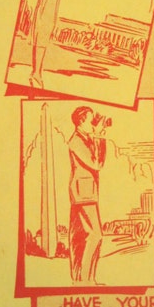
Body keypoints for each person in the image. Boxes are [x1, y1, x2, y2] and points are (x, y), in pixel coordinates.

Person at [68, 105, 107, 284]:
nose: (93, 125)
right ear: (81, 121)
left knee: (87, 236)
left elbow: (100, 162)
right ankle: (83, 279)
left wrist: (100, 137)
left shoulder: (87, 139)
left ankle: (89, 279)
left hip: (88, 192)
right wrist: (98, 136)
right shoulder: (76, 141)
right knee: (95, 235)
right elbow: (95, 164)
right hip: (83, 192)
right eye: (91, 121)